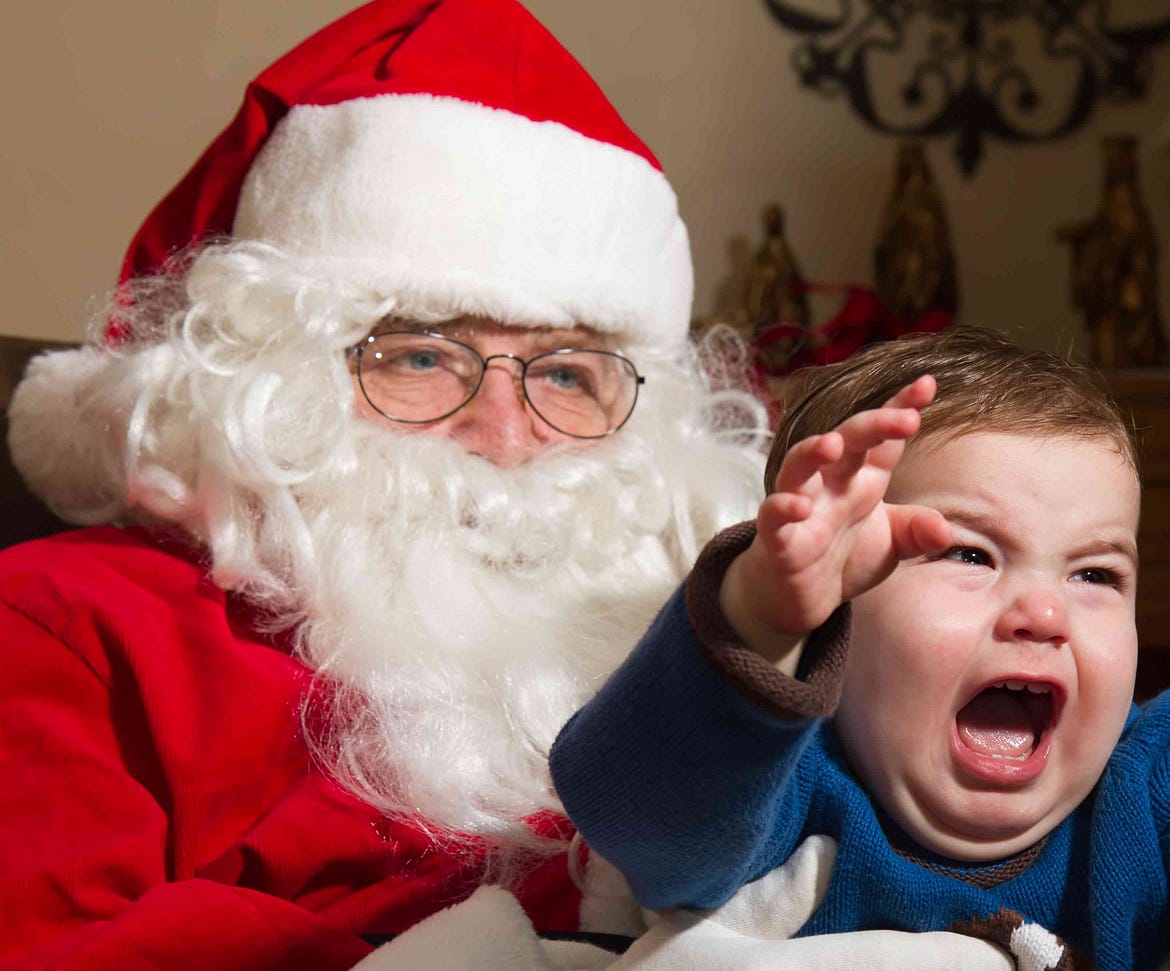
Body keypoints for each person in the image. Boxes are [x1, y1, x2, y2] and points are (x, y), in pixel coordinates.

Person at [0, 0, 770, 965]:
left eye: (569, 374)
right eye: (420, 357)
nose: (503, 432)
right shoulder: (69, 622)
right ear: (269, 376)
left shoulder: (701, 664)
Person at [552, 327, 1170, 970]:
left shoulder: (1153, 784)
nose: (1044, 614)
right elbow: (640, 812)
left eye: (1096, 574)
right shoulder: (776, 790)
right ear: (838, 603)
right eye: (971, 553)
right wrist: (759, 609)